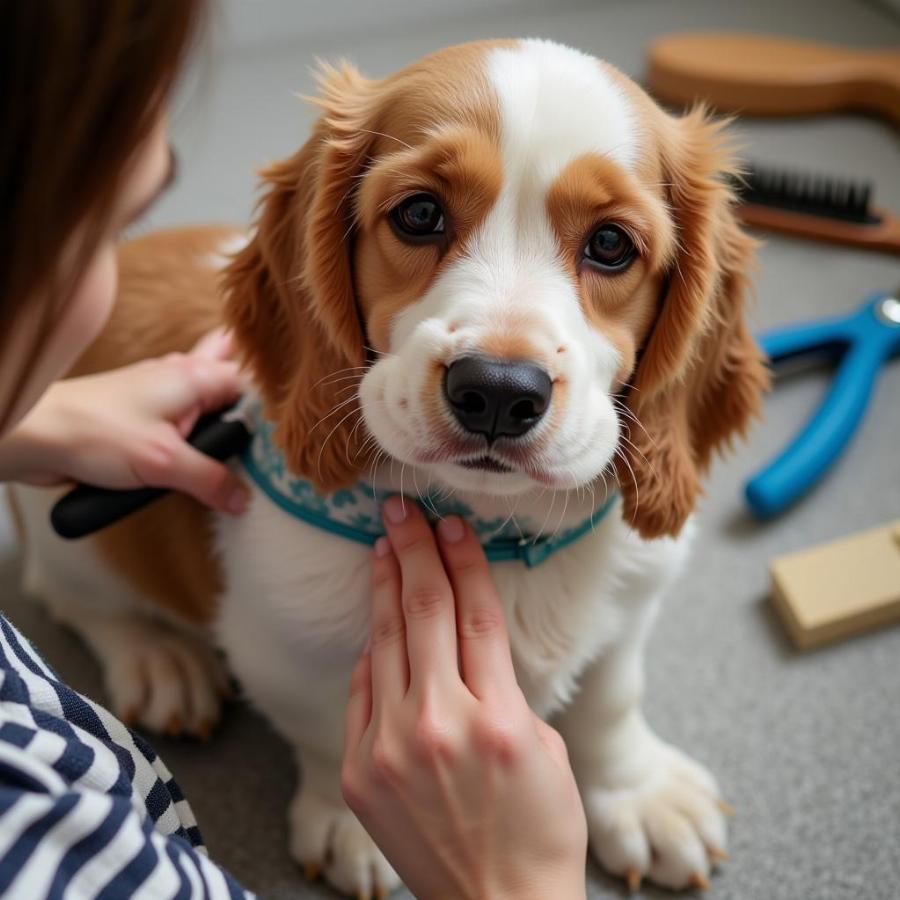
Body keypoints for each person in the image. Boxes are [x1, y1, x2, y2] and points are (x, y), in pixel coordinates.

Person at [0, 2, 588, 898]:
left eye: (612, 245)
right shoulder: (48, 837)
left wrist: (612, 756)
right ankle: (102, 616)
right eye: (422, 215)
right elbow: (281, 656)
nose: (504, 368)